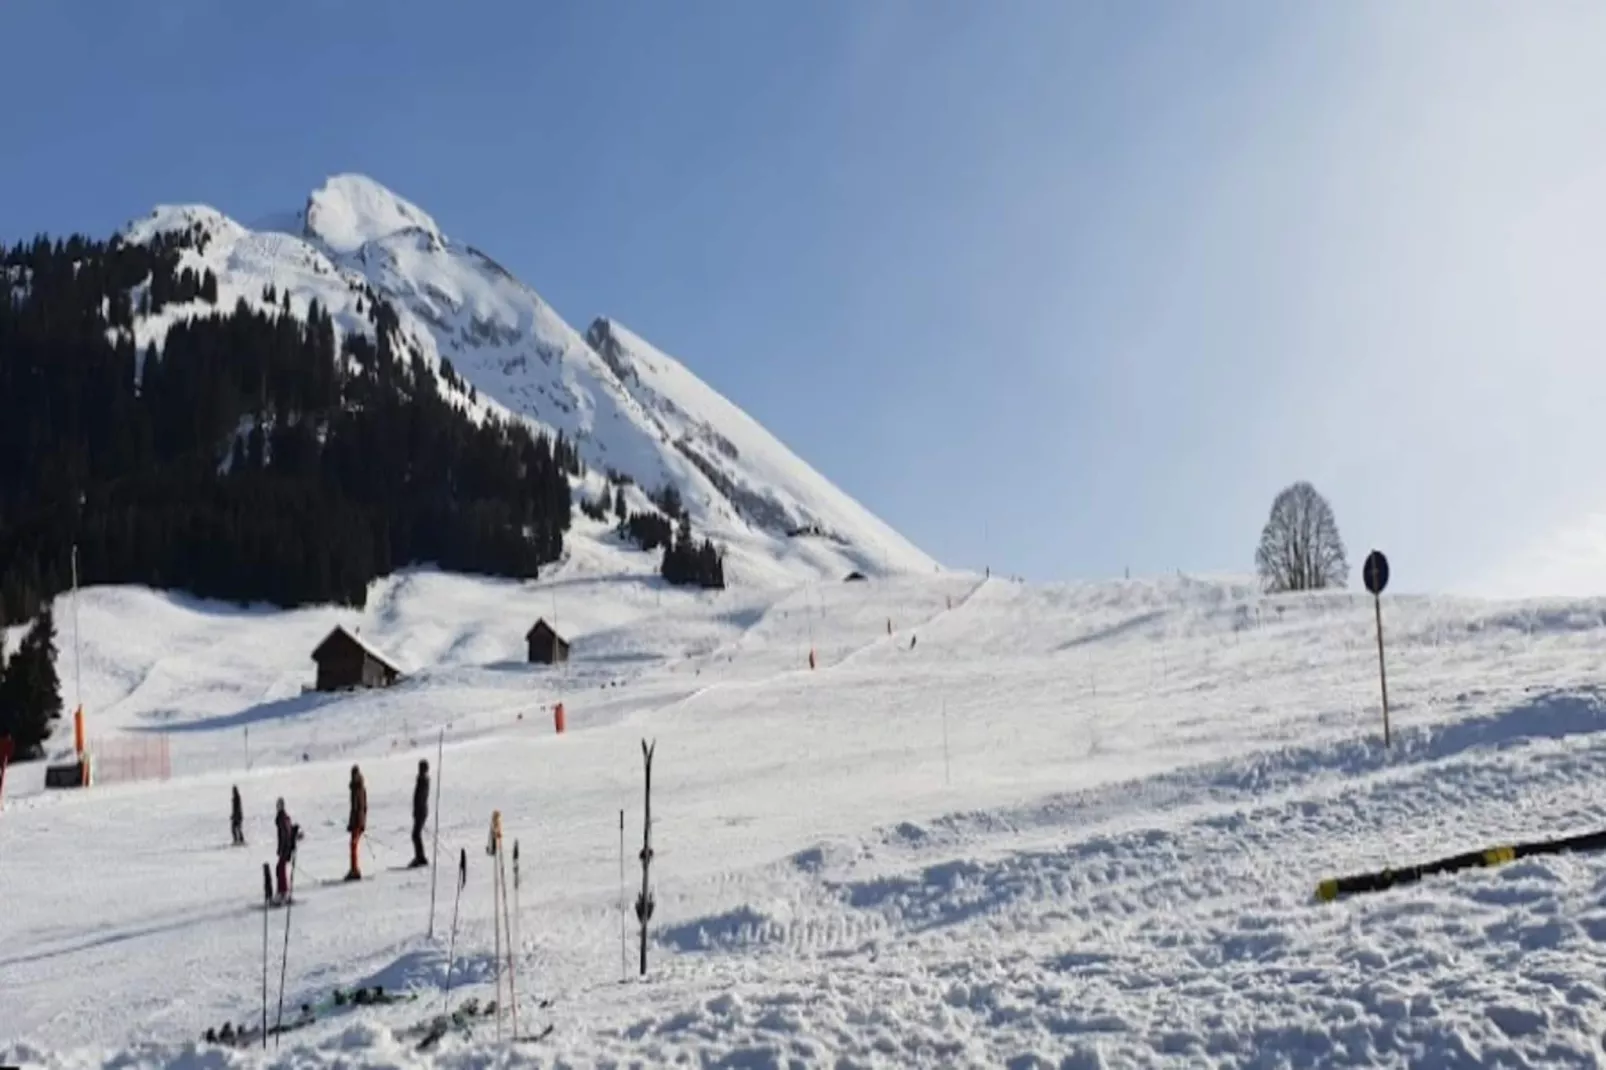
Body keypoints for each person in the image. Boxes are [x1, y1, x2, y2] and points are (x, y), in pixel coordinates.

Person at [274, 798, 300, 903]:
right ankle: (282, 890)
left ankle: (283, 892)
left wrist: (283, 849)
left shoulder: (282, 818)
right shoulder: (284, 818)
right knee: (280, 868)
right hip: (286, 847)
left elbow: (285, 834)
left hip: (285, 848)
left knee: (280, 868)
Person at [345, 764, 367, 881]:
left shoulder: (357, 789)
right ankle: (354, 868)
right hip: (358, 821)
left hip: (357, 821)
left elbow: (358, 808)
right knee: (353, 845)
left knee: (353, 845)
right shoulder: (359, 788)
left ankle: (354, 870)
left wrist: (356, 823)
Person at [410, 759, 430, 868]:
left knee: (415, 834)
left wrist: (418, 810)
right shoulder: (422, 780)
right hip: (421, 810)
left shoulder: (423, 781)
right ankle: (420, 856)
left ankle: (420, 857)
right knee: (416, 834)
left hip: (421, 811)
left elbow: (420, 798)